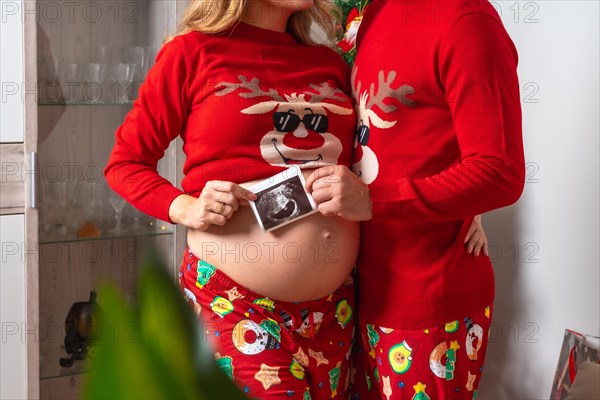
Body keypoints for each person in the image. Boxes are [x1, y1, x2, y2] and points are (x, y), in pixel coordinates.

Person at [104, 1, 372, 398]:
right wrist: (186, 207)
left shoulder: (330, 62)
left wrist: (466, 211)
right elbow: (125, 163)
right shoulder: (191, 53)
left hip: (335, 308)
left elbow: (384, 155)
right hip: (235, 304)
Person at [341, 0, 526, 399]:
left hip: (426, 304)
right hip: (357, 295)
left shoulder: (467, 19)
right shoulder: (373, 12)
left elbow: (499, 173)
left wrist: (376, 202)